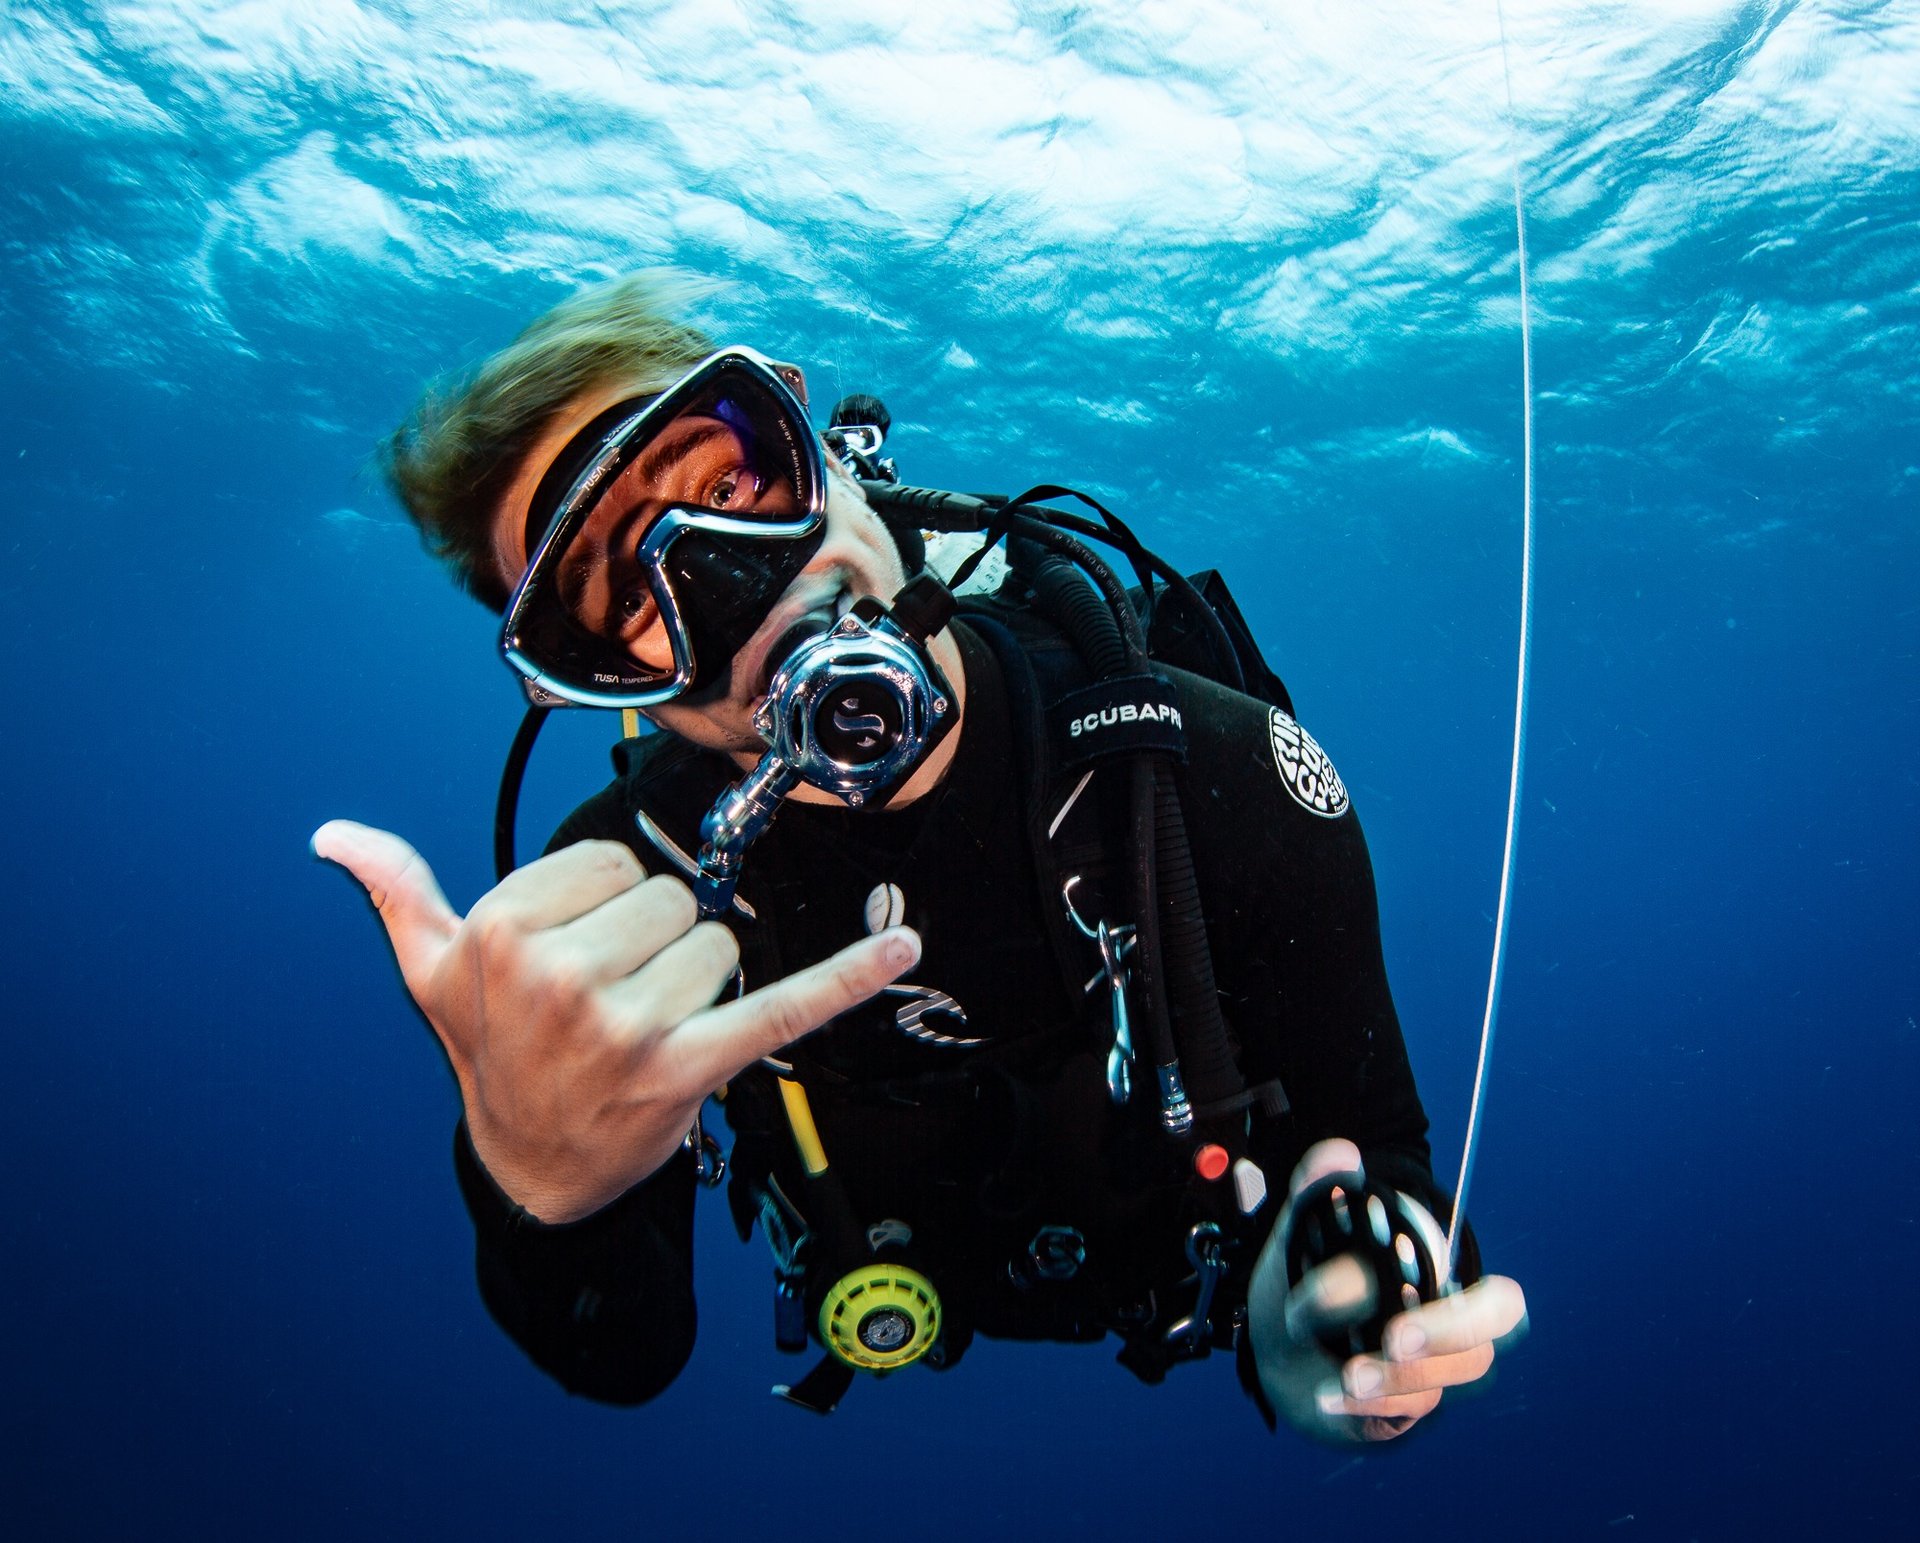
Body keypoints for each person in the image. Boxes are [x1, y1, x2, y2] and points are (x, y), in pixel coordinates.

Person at [314, 273, 1525, 1438]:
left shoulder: (1210, 766)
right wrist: (534, 1179)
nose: (738, 586)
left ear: (824, 452)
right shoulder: (626, 902)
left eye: (730, 478)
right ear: (604, 690)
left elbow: (1380, 1148)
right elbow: (619, 1354)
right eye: (627, 595)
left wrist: (1349, 1336)